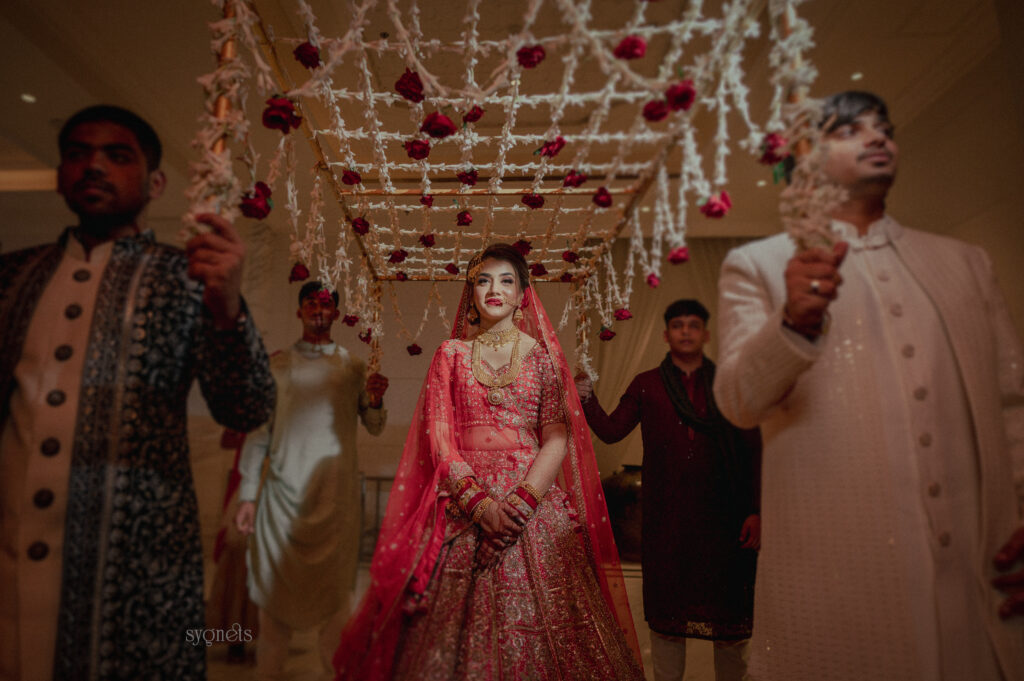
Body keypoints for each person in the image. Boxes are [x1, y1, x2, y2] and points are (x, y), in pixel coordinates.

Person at [713, 90, 1024, 680]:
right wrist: (792, 324)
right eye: (850, 130)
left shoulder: (965, 262)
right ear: (806, 155)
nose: (877, 137)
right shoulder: (760, 265)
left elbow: (1013, 403)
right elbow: (737, 402)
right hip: (839, 582)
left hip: (982, 583)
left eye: (884, 128)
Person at [0, 105, 275, 680]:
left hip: (138, 577)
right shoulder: (11, 277)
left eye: (117, 155)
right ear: (59, 176)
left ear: (155, 183)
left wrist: (228, 312)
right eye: (77, 153)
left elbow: (247, 407)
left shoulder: (188, 277)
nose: (94, 166)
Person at [333, 243, 645, 680]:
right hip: (464, 502)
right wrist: (481, 507)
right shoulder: (451, 354)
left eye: (506, 280)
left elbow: (556, 438)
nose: (494, 289)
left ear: (523, 295)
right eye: (483, 280)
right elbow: (441, 440)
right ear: (472, 292)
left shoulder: (544, 359)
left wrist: (518, 507)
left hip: (532, 504)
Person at [575, 298, 761, 681]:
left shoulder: (730, 384)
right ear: (666, 334)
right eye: (678, 325)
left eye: (693, 325)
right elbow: (611, 431)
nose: (686, 332)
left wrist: (756, 511)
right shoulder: (647, 384)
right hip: (667, 521)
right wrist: (586, 398)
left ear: (705, 334)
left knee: (730, 629)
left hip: (724, 522)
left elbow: (752, 452)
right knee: (666, 626)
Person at [235, 280, 388, 680]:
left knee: (336, 614)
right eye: (310, 303)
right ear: (299, 311)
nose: (318, 310)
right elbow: (259, 433)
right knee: (272, 618)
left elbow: (374, 426)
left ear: (336, 313)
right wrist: (248, 496)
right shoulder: (278, 365)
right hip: (280, 503)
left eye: (325, 305)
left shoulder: (353, 368)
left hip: (335, 501)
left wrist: (376, 400)